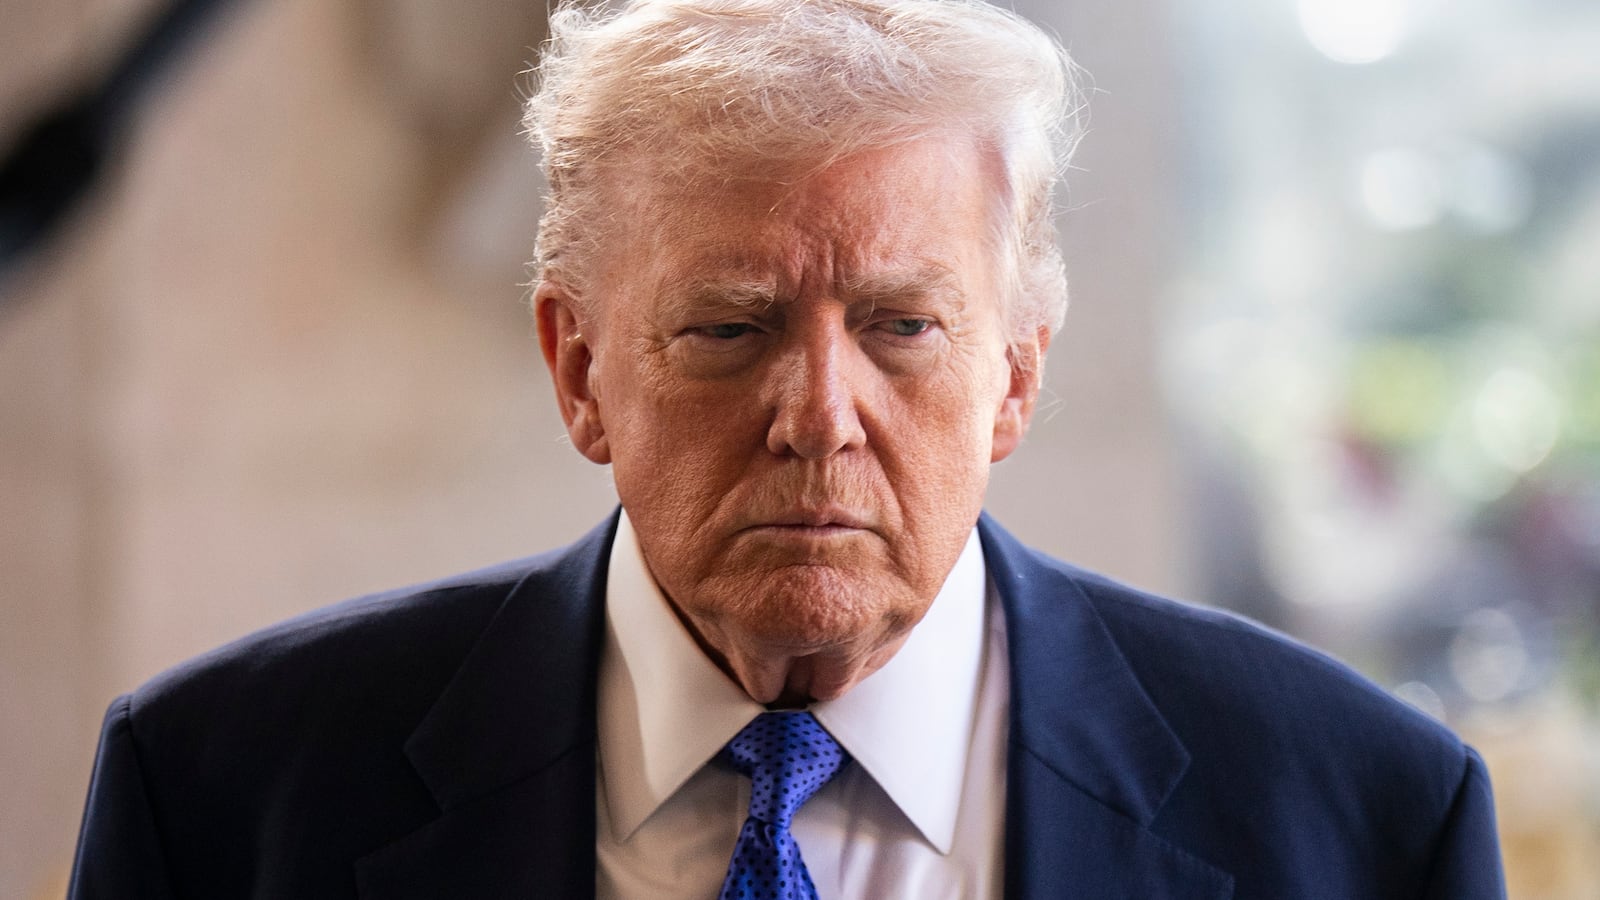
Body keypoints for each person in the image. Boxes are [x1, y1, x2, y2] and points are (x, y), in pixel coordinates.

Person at [68, 1, 1507, 897]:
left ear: (1013, 378)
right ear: (580, 368)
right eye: (730, 327)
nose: (819, 412)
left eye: (900, 327)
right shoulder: (225, 797)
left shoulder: (1362, 818)